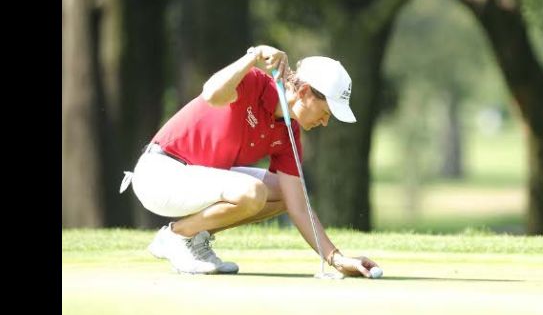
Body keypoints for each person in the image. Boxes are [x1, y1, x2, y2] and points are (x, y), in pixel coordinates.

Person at [120, 45, 380, 277]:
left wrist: (336, 259)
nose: (325, 121)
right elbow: (211, 94)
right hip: (160, 175)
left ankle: (193, 237)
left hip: (196, 180)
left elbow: (298, 206)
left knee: (286, 194)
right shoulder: (254, 82)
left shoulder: (289, 134)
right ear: (303, 92)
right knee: (253, 192)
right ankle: (176, 236)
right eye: (326, 112)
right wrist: (253, 56)